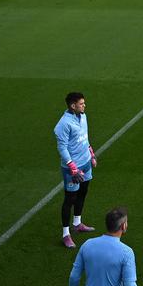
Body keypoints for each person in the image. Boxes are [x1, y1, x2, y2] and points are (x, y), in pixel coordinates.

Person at [56, 92, 98, 248]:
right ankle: (66, 234)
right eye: (81, 104)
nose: (84, 105)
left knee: (83, 193)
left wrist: (91, 153)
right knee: (69, 199)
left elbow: (84, 137)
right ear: (73, 106)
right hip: (73, 169)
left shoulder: (83, 116)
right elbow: (62, 147)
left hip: (86, 163)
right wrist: (72, 166)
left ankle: (77, 223)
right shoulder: (63, 124)